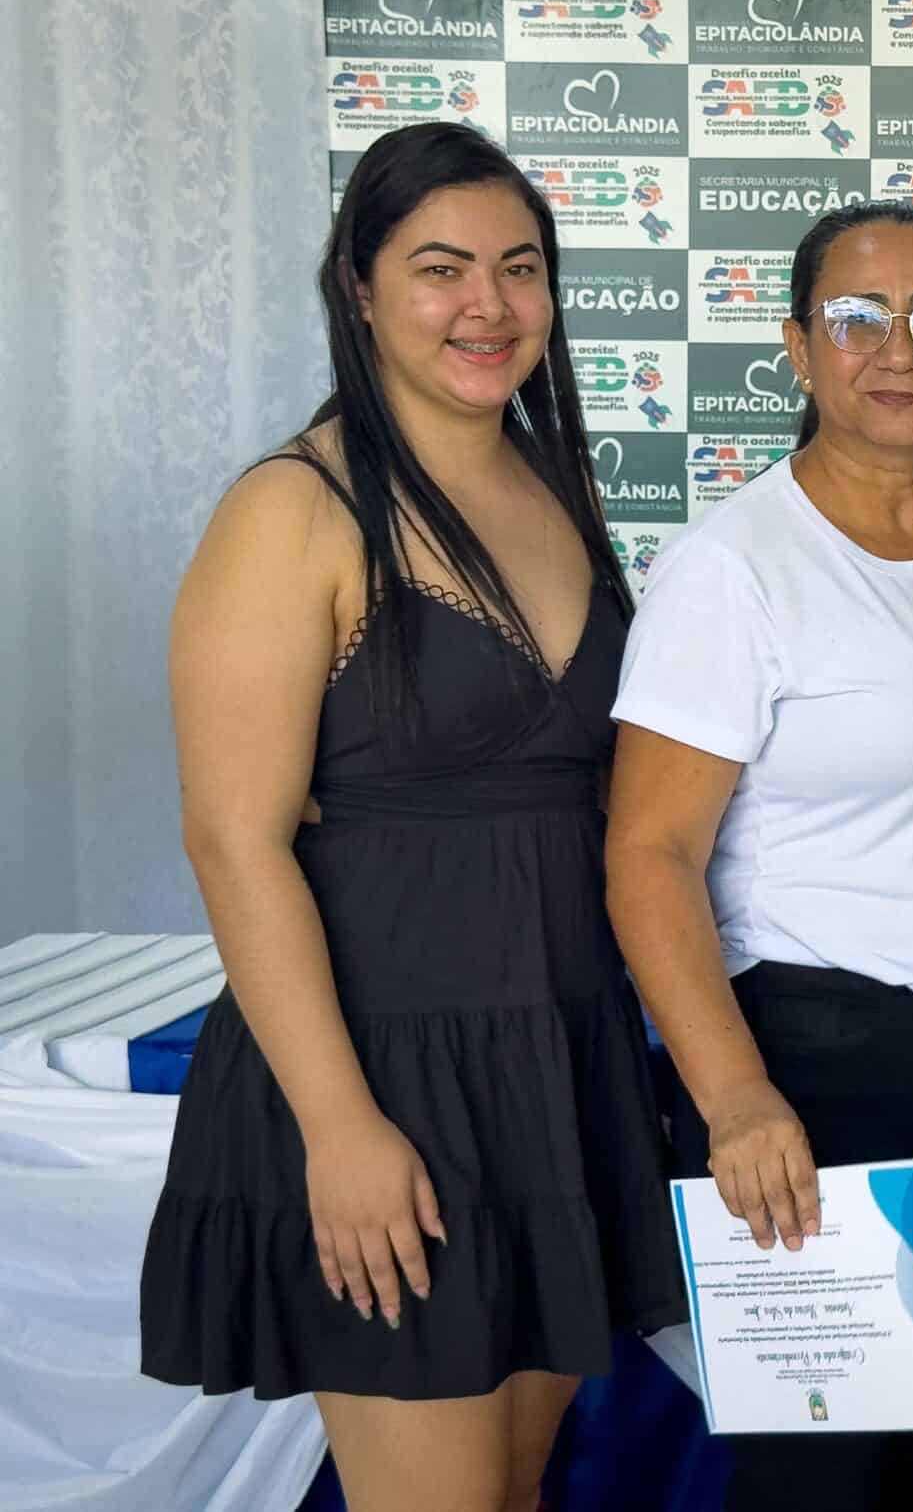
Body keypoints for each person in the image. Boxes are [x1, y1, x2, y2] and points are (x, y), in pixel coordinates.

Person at [139, 120, 684, 1512]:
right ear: (361, 287)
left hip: (557, 1065)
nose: (487, 306)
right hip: (382, 1075)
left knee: (513, 1492)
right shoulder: (294, 509)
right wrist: (339, 1127)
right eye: (441, 268)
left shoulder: (553, 484)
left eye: (519, 268)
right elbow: (233, 838)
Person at [603, 201, 913, 1510]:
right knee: (820, 1488)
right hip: (819, 1078)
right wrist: (738, 1097)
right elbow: (648, 851)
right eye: (859, 317)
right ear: (799, 345)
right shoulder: (734, 566)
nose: (899, 348)